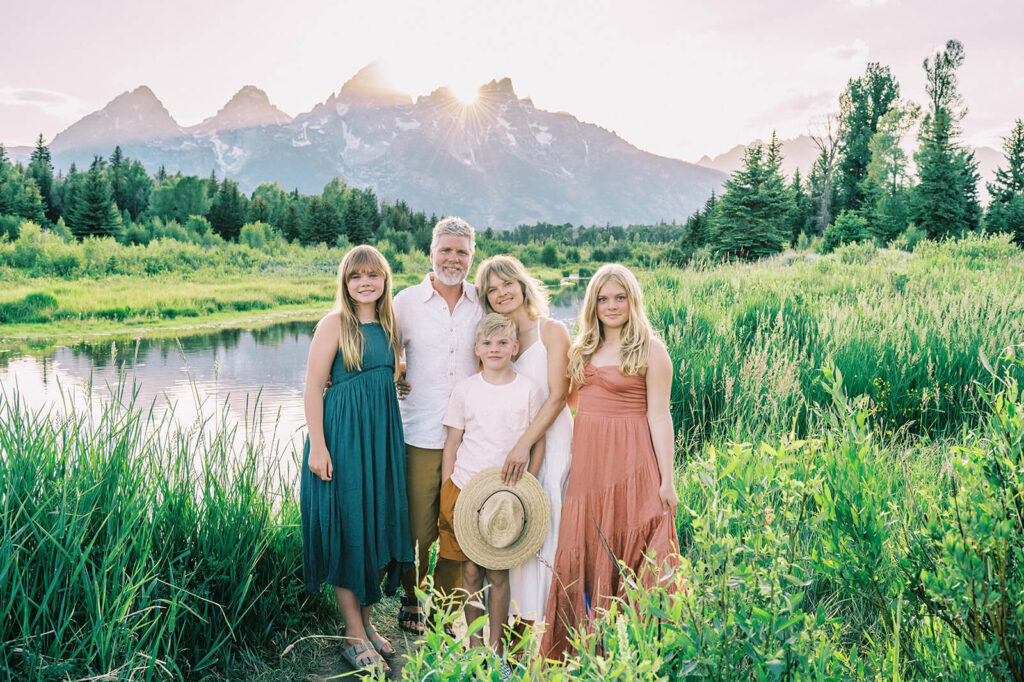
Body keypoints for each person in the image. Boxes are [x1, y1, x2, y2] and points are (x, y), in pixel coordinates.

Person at [540, 263, 680, 661]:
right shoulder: (582, 348)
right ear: (593, 304)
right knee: (587, 543)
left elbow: (660, 416)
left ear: (632, 300)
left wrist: (666, 479)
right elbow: (566, 403)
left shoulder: (652, 350)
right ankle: (588, 647)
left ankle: (643, 648)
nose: (612, 305)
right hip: (589, 465)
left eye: (620, 297)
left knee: (638, 545)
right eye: (604, 298)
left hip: (634, 459)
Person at [300, 245, 414, 675]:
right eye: (356, 276)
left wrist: (397, 382)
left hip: (381, 440)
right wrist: (317, 445)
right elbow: (313, 388)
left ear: (385, 280)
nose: (365, 283)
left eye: (373, 275)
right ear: (345, 284)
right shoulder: (334, 324)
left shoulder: (389, 324)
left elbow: (390, 376)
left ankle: (367, 625)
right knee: (350, 529)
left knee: (375, 527)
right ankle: (352, 633)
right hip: (342, 439)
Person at [438, 313, 546, 674]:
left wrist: (526, 488)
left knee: (498, 575)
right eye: (487, 343)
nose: (495, 349)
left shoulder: (528, 389)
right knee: (470, 571)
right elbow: (453, 442)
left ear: (515, 347)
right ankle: (473, 647)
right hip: (467, 488)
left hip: (506, 498)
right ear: (476, 349)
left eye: (503, 343)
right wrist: (446, 488)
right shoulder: (466, 389)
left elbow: (538, 443)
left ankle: (497, 652)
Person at [393, 217, 483, 634]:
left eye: (461, 251)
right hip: (419, 432)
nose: (453, 258)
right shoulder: (405, 303)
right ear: (431, 252)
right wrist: (397, 373)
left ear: (471, 256)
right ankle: (412, 593)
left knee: (458, 529)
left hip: (472, 440)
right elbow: (384, 351)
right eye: (446, 250)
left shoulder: (482, 301)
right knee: (417, 530)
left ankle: (444, 612)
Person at [475, 255, 572, 640]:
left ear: (523, 284)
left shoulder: (552, 331)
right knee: (513, 524)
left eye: (507, 284)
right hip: (511, 443)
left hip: (550, 440)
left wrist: (523, 445)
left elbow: (559, 397)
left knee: (547, 522)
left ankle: (552, 622)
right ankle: (516, 624)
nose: (501, 294)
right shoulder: (495, 339)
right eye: (491, 290)